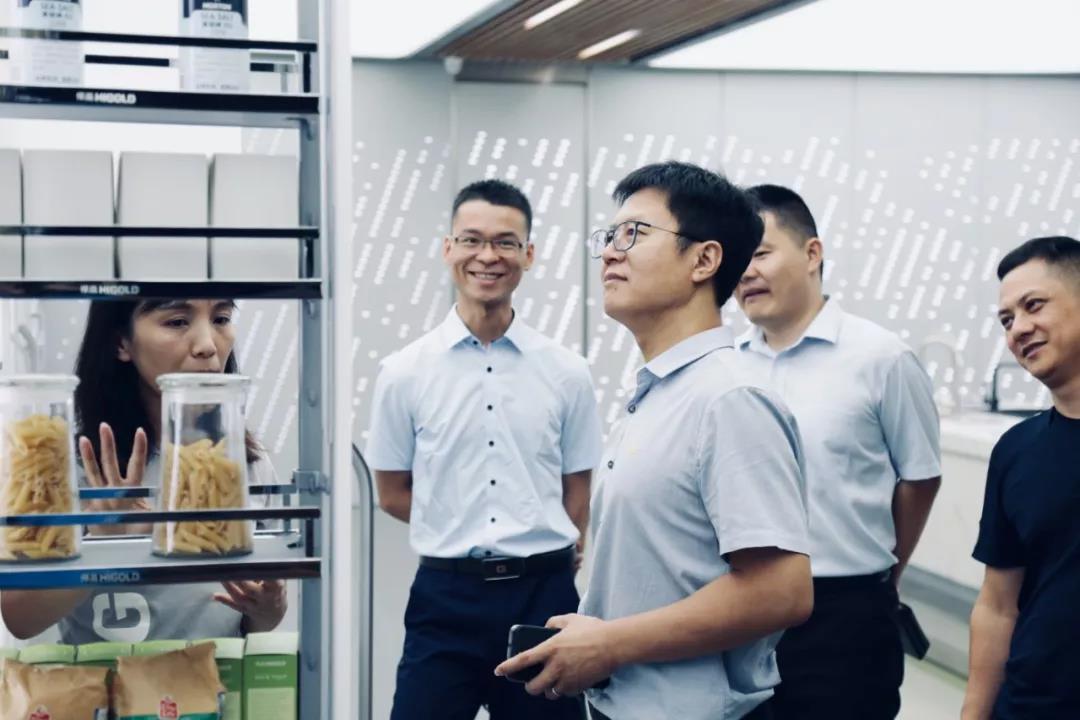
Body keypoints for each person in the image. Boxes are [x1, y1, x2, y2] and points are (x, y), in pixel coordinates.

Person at [497, 161, 812, 720]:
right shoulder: (660, 392)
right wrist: (597, 631)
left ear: (704, 260)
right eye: (609, 237)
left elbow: (779, 591)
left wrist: (611, 644)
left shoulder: (729, 398)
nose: (609, 254)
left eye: (634, 234)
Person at [366, 179, 602, 720]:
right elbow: (392, 492)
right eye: (472, 240)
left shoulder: (567, 372)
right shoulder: (403, 372)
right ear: (448, 248)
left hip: (542, 598)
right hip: (444, 598)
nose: (488, 256)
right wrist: (458, 521)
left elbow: (577, 490)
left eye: (505, 242)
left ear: (529, 254)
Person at [732, 184, 942, 719]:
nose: (745, 272)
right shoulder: (727, 367)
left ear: (812, 253)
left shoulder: (882, 358)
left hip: (845, 616)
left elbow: (920, 477)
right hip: (739, 609)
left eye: (760, 253)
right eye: (737, 258)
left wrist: (886, 570)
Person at [0, 299, 287, 644]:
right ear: (121, 342)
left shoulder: (249, 465)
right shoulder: (69, 468)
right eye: (177, 322)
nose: (208, 345)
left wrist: (267, 611)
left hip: (216, 676)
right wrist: (104, 543)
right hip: (106, 678)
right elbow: (20, 619)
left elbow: (251, 621)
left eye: (221, 318)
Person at [963, 236, 1080, 719]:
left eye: (1034, 306)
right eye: (1007, 320)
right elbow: (997, 605)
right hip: (1032, 706)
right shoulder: (1017, 450)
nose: (1019, 330)